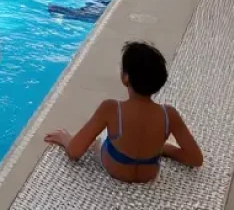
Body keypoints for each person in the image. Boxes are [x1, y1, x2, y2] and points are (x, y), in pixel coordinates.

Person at [44, 41, 202, 182]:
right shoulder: (169, 115)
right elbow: (195, 159)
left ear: (125, 78)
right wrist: (163, 149)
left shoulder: (111, 109)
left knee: (102, 136)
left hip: (115, 168)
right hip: (149, 174)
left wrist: (65, 139)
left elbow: (75, 152)